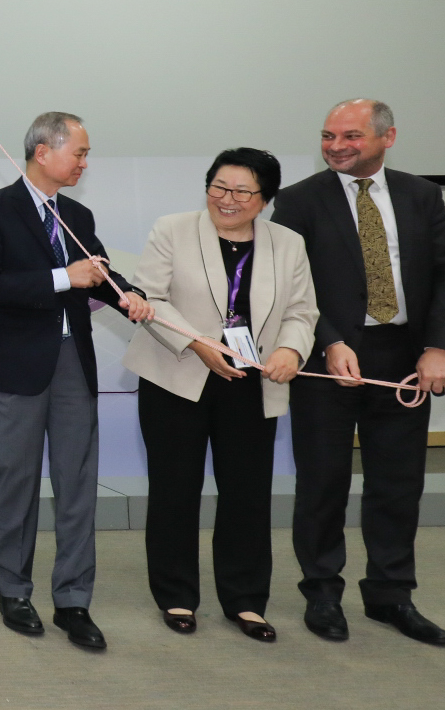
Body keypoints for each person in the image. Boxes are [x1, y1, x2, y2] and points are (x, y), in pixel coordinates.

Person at [271, 99, 445, 645]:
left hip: (405, 361)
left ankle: (390, 596)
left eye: (351, 135)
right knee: (323, 483)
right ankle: (322, 594)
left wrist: (442, 347)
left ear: (388, 137)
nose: (336, 145)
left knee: (399, 485)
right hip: (326, 361)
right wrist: (330, 340)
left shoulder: (421, 194)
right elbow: (289, 285)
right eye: (328, 135)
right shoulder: (297, 201)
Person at [0, 111, 154, 650]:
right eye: (80, 152)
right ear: (43, 152)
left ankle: (73, 599)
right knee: (17, 483)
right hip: (15, 366)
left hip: (74, 363)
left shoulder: (76, 213)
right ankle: (14, 591)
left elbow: (98, 268)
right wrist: (61, 278)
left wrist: (127, 294)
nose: (84, 163)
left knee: (77, 485)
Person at [124, 148, 316, 642]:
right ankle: (176, 595)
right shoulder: (173, 228)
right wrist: (197, 341)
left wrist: (292, 353)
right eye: (218, 188)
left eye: (242, 192)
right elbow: (151, 298)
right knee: (175, 490)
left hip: (252, 383)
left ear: (265, 199)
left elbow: (301, 311)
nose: (227, 200)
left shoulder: (288, 243)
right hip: (177, 374)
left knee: (247, 495)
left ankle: (247, 601)